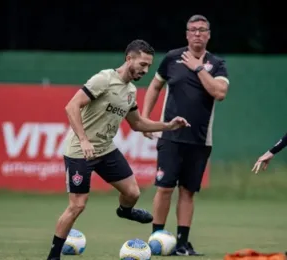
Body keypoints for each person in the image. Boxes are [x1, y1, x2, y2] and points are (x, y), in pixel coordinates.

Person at [46, 39, 191, 260]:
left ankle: (124, 211)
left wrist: (168, 125)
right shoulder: (103, 79)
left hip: (105, 149)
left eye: (148, 67)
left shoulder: (130, 91)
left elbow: (138, 124)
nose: (145, 70)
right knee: (77, 206)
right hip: (79, 151)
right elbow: (71, 106)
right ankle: (53, 256)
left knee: (132, 192)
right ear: (129, 58)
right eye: (142, 64)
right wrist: (84, 140)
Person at [141, 15, 230, 256]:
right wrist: (147, 120)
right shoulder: (172, 58)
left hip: (200, 140)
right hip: (170, 136)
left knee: (188, 191)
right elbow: (155, 86)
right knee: (165, 188)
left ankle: (181, 243)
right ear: (187, 34)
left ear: (209, 34)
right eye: (193, 30)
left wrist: (198, 67)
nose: (197, 34)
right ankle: (156, 238)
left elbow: (219, 92)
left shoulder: (217, 64)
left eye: (202, 30)